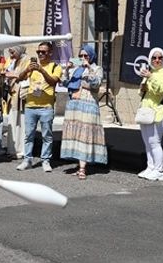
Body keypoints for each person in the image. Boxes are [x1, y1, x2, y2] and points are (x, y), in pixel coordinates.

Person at [60, 45, 107, 179]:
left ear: (91, 56)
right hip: (75, 104)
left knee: (84, 134)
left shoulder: (97, 68)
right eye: (80, 56)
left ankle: (82, 168)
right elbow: (65, 83)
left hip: (88, 104)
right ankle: (79, 164)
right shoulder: (76, 69)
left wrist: (89, 68)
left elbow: (96, 83)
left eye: (86, 56)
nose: (83, 58)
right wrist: (67, 70)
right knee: (76, 134)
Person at [15, 43, 62, 173]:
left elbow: (53, 82)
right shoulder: (31, 66)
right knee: (28, 134)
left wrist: (41, 70)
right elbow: (19, 79)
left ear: (50, 53)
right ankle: (27, 160)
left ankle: (46, 160)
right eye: (38, 52)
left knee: (47, 135)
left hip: (46, 107)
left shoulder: (55, 67)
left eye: (44, 52)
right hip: (30, 105)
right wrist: (27, 70)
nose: (40, 54)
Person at [137, 47, 163, 181]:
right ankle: (150, 167)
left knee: (155, 142)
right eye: (154, 58)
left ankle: (159, 170)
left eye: (160, 58)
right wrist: (143, 85)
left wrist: (150, 77)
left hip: (160, 111)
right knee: (147, 142)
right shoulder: (150, 71)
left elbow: (161, 90)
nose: (157, 60)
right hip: (147, 111)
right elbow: (142, 92)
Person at [0, 45, 29, 160]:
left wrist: (9, 74)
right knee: (12, 121)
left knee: (21, 122)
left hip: (21, 95)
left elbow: (24, 74)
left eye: (13, 52)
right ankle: (12, 149)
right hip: (13, 94)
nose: (11, 55)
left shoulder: (26, 60)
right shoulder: (14, 61)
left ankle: (20, 150)